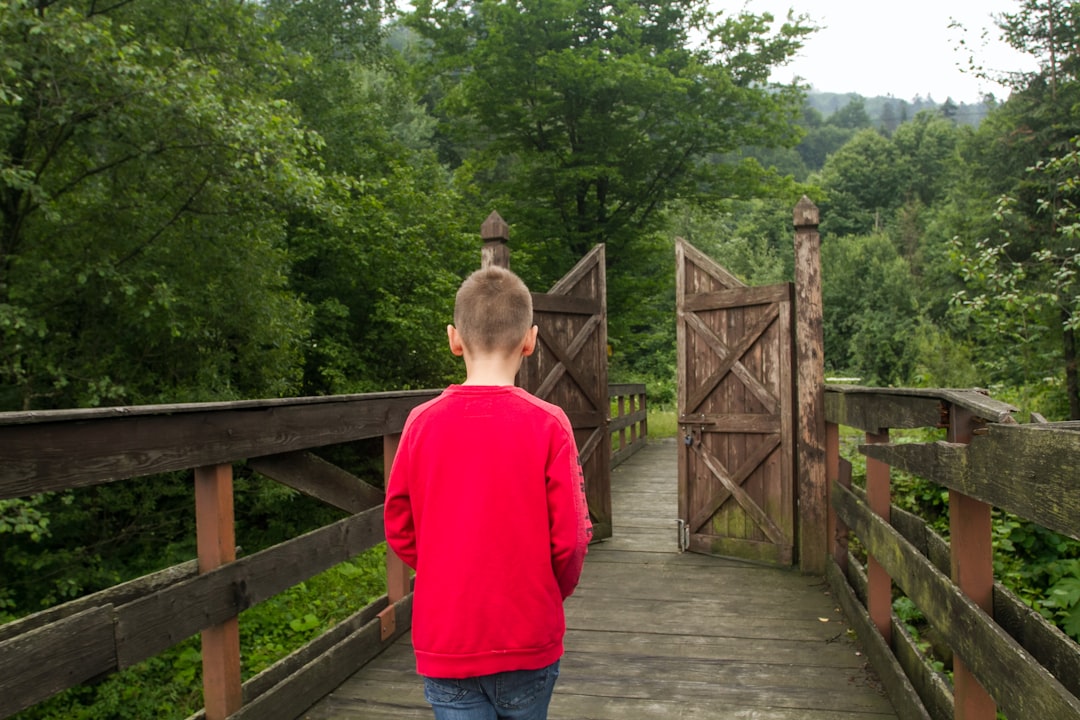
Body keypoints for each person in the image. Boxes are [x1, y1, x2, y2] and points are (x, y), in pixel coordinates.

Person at [384, 266, 592, 720]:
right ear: (531, 340)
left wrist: (448, 571)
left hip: (446, 637)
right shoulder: (549, 423)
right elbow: (573, 536)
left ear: (454, 339)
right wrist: (546, 590)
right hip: (528, 636)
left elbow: (399, 523)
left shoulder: (421, 423)